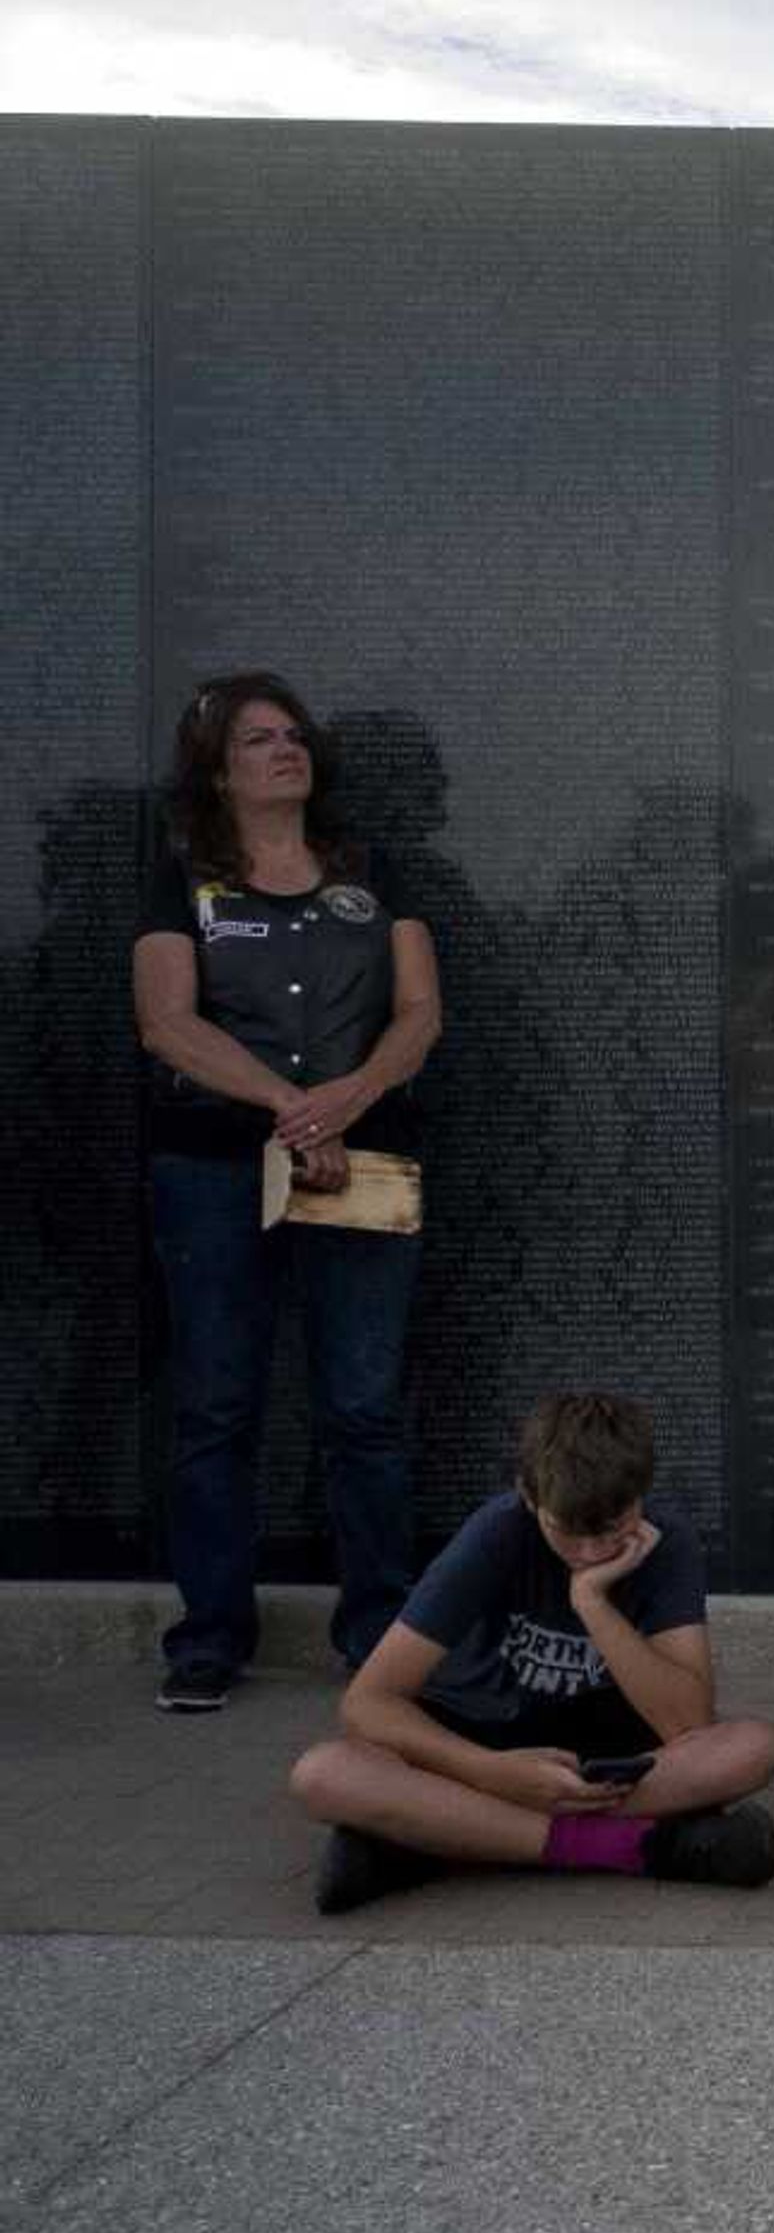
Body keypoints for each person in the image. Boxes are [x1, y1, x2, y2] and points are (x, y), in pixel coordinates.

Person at [131, 673, 444, 1714]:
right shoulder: (181, 877)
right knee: (217, 1404)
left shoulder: (373, 871)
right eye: (258, 738)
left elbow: (420, 1010)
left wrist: (349, 1097)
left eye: (295, 733)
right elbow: (166, 1020)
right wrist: (286, 1104)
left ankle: (379, 1640)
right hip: (214, 1169)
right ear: (218, 770)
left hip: (361, 1161)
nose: (284, 749)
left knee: (364, 1406)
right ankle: (210, 1637)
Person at [284, 1390, 774, 1914]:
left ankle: (443, 1838)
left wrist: (592, 1602)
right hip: (483, 1739)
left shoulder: (669, 1540)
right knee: (323, 1774)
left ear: (641, 1495)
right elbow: (368, 1702)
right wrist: (487, 1772)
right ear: (529, 1496)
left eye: (612, 1530)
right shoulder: (496, 1532)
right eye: (568, 1532)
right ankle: (633, 1846)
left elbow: (688, 1723)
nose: (591, 1553)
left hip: (603, 1757)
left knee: (751, 1747)